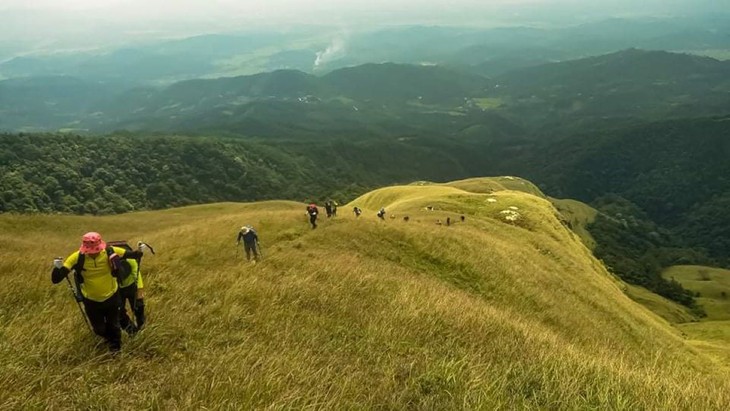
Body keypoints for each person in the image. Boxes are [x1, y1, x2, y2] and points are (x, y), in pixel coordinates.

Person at [51, 232, 143, 352]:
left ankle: (115, 351)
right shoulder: (77, 257)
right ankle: (109, 339)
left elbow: (129, 254)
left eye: (96, 250)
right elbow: (57, 279)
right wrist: (57, 269)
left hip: (112, 296)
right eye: (91, 251)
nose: (94, 253)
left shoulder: (110, 251)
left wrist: (138, 253)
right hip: (91, 300)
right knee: (99, 329)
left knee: (114, 326)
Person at [118, 257, 145, 335]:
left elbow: (136, 272)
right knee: (119, 312)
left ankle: (141, 325)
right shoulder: (106, 259)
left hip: (132, 286)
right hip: (116, 289)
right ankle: (132, 331)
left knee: (139, 307)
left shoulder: (129, 257)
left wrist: (139, 290)